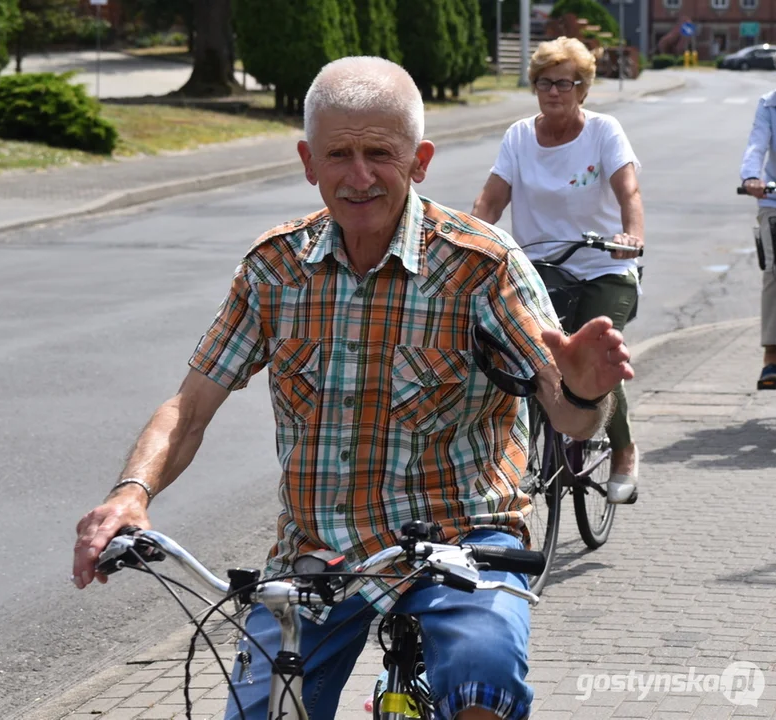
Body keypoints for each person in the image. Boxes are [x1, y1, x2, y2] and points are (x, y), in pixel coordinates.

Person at [72, 56, 634, 720]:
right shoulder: (273, 269)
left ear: (418, 160)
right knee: (260, 710)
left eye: (379, 153)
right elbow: (189, 407)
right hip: (317, 554)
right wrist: (129, 496)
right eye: (338, 153)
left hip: (459, 541)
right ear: (308, 162)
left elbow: (567, 420)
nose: (358, 175)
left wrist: (583, 388)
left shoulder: (482, 265)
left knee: (481, 680)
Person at [471, 36, 644, 505]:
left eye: (564, 83)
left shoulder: (604, 131)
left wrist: (631, 236)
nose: (553, 92)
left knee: (597, 354)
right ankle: (518, 453)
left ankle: (624, 451)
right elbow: (490, 200)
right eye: (544, 82)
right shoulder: (519, 137)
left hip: (604, 266)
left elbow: (628, 191)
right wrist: (468, 240)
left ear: (582, 88)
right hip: (541, 267)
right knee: (525, 355)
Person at [739, 88, 776, 390]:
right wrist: (751, 177)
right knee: (774, 271)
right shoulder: (769, 104)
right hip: (774, 200)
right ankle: (771, 356)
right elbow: (756, 146)